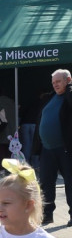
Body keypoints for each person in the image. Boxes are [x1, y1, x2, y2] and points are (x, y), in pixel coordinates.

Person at [31, 69, 72, 226]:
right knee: (46, 183)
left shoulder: (68, 95)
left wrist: (69, 87)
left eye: (59, 82)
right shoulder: (51, 98)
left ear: (68, 80)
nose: (55, 85)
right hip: (47, 149)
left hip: (65, 148)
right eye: (53, 83)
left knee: (70, 182)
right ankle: (47, 215)